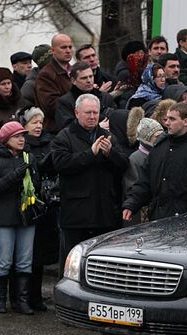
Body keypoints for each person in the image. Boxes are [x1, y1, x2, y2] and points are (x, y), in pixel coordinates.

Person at [51, 94, 129, 273]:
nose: (93, 116)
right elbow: (61, 164)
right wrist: (90, 154)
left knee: (103, 265)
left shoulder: (108, 136)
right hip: (77, 214)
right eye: (88, 112)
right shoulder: (65, 136)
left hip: (105, 212)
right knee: (73, 264)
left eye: (96, 112)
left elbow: (124, 164)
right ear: (77, 112)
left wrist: (111, 155)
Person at [122, 102, 187, 222]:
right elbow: (145, 181)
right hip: (159, 218)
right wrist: (131, 204)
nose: (167, 123)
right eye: (167, 118)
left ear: (186, 122)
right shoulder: (159, 147)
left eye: (172, 119)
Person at [0, 121, 40, 314]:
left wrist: (33, 172)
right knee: (4, 260)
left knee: (25, 261)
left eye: (23, 136)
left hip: (26, 216)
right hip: (2, 218)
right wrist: (16, 174)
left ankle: (21, 301)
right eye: (17, 136)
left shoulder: (28, 157)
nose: (22, 139)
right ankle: (0, 301)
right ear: (6, 139)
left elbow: (36, 186)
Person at [18, 107, 57, 311]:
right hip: (28, 205)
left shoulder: (50, 143)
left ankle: (36, 297)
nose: (39, 126)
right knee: (26, 255)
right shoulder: (21, 146)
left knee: (39, 255)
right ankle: (21, 297)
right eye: (34, 122)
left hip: (46, 206)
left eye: (40, 122)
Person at [123, 110, 163, 225]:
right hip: (142, 214)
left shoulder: (161, 153)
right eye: (157, 136)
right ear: (147, 137)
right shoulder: (136, 158)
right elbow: (132, 187)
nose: (161, 138)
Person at [55, 61, 116, 131]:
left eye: (91, 76)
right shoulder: (64, 102)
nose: (89, 80)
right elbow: (66, 128)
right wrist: (96, 126)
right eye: (84, 78)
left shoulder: (106, 97)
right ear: (73, 81)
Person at [35, 34, 74, 133]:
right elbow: (51, 106)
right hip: (58, 130)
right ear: (53, 51)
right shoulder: (46, 75)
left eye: (70, 47)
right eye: (63, 47)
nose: (68, 50)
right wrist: (79, 97)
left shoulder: (74, 70)